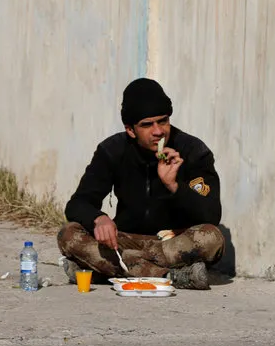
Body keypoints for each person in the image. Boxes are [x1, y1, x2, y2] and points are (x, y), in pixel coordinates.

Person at [57, 78, 225, 290]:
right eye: (147, 125)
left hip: (172, 244)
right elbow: (77, 204)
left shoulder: (193, 151)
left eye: (163, 121)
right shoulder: (112, 151)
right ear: (130, 130)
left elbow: (211, 215)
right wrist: (98, 219)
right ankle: (171, 276)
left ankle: (106, 269)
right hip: (125, 240)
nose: (158, 131)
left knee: (212, 238)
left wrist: (174, 185)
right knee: (68, 234)